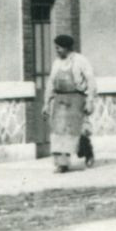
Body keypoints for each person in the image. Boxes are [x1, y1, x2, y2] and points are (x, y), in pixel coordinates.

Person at [44, 34, 97, 174]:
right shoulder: (56, 63)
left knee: (74, 132)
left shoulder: (80, 61)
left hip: (76, 100)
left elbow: (91, 81)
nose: (57, 50)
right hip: (60, 100)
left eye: (59, 47)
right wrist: (46, 102)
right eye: (56, 47)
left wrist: (90, 100)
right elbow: (50, 83)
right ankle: (62, 164)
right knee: (58, 131)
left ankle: (87, 151)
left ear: (67, 47)